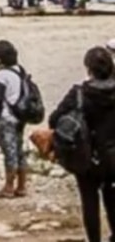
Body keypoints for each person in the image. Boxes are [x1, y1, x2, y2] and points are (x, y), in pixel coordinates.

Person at [48, 47, 115, 242]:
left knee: (89, 202)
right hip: (113, 156)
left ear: (88, 69)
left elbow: (54, 119)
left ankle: (94, 239)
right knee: (113, 197)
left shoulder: (79, 93)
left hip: (86, 156)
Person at [0, 40, 30, 199]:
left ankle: (9, 186)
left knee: (9, 152)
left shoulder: (1, 76)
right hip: (18, 116)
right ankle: (22, 185)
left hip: (5, 118)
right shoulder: (19, 72)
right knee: (19, 151)